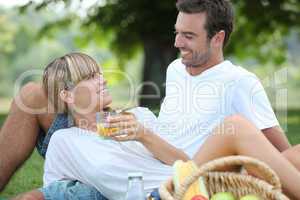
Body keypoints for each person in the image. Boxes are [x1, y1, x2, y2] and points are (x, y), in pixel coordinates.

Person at [0, 0, 298, 199]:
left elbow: (280, 153)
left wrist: (143, 134)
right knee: (31, 96)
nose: (177, 43)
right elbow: (59, 191)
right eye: (177, 33)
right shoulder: (174, 71)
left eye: (188, 36)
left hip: (204, 171)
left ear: (217, 38)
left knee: (256, 138)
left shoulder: (239, 82)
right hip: (174, 178)